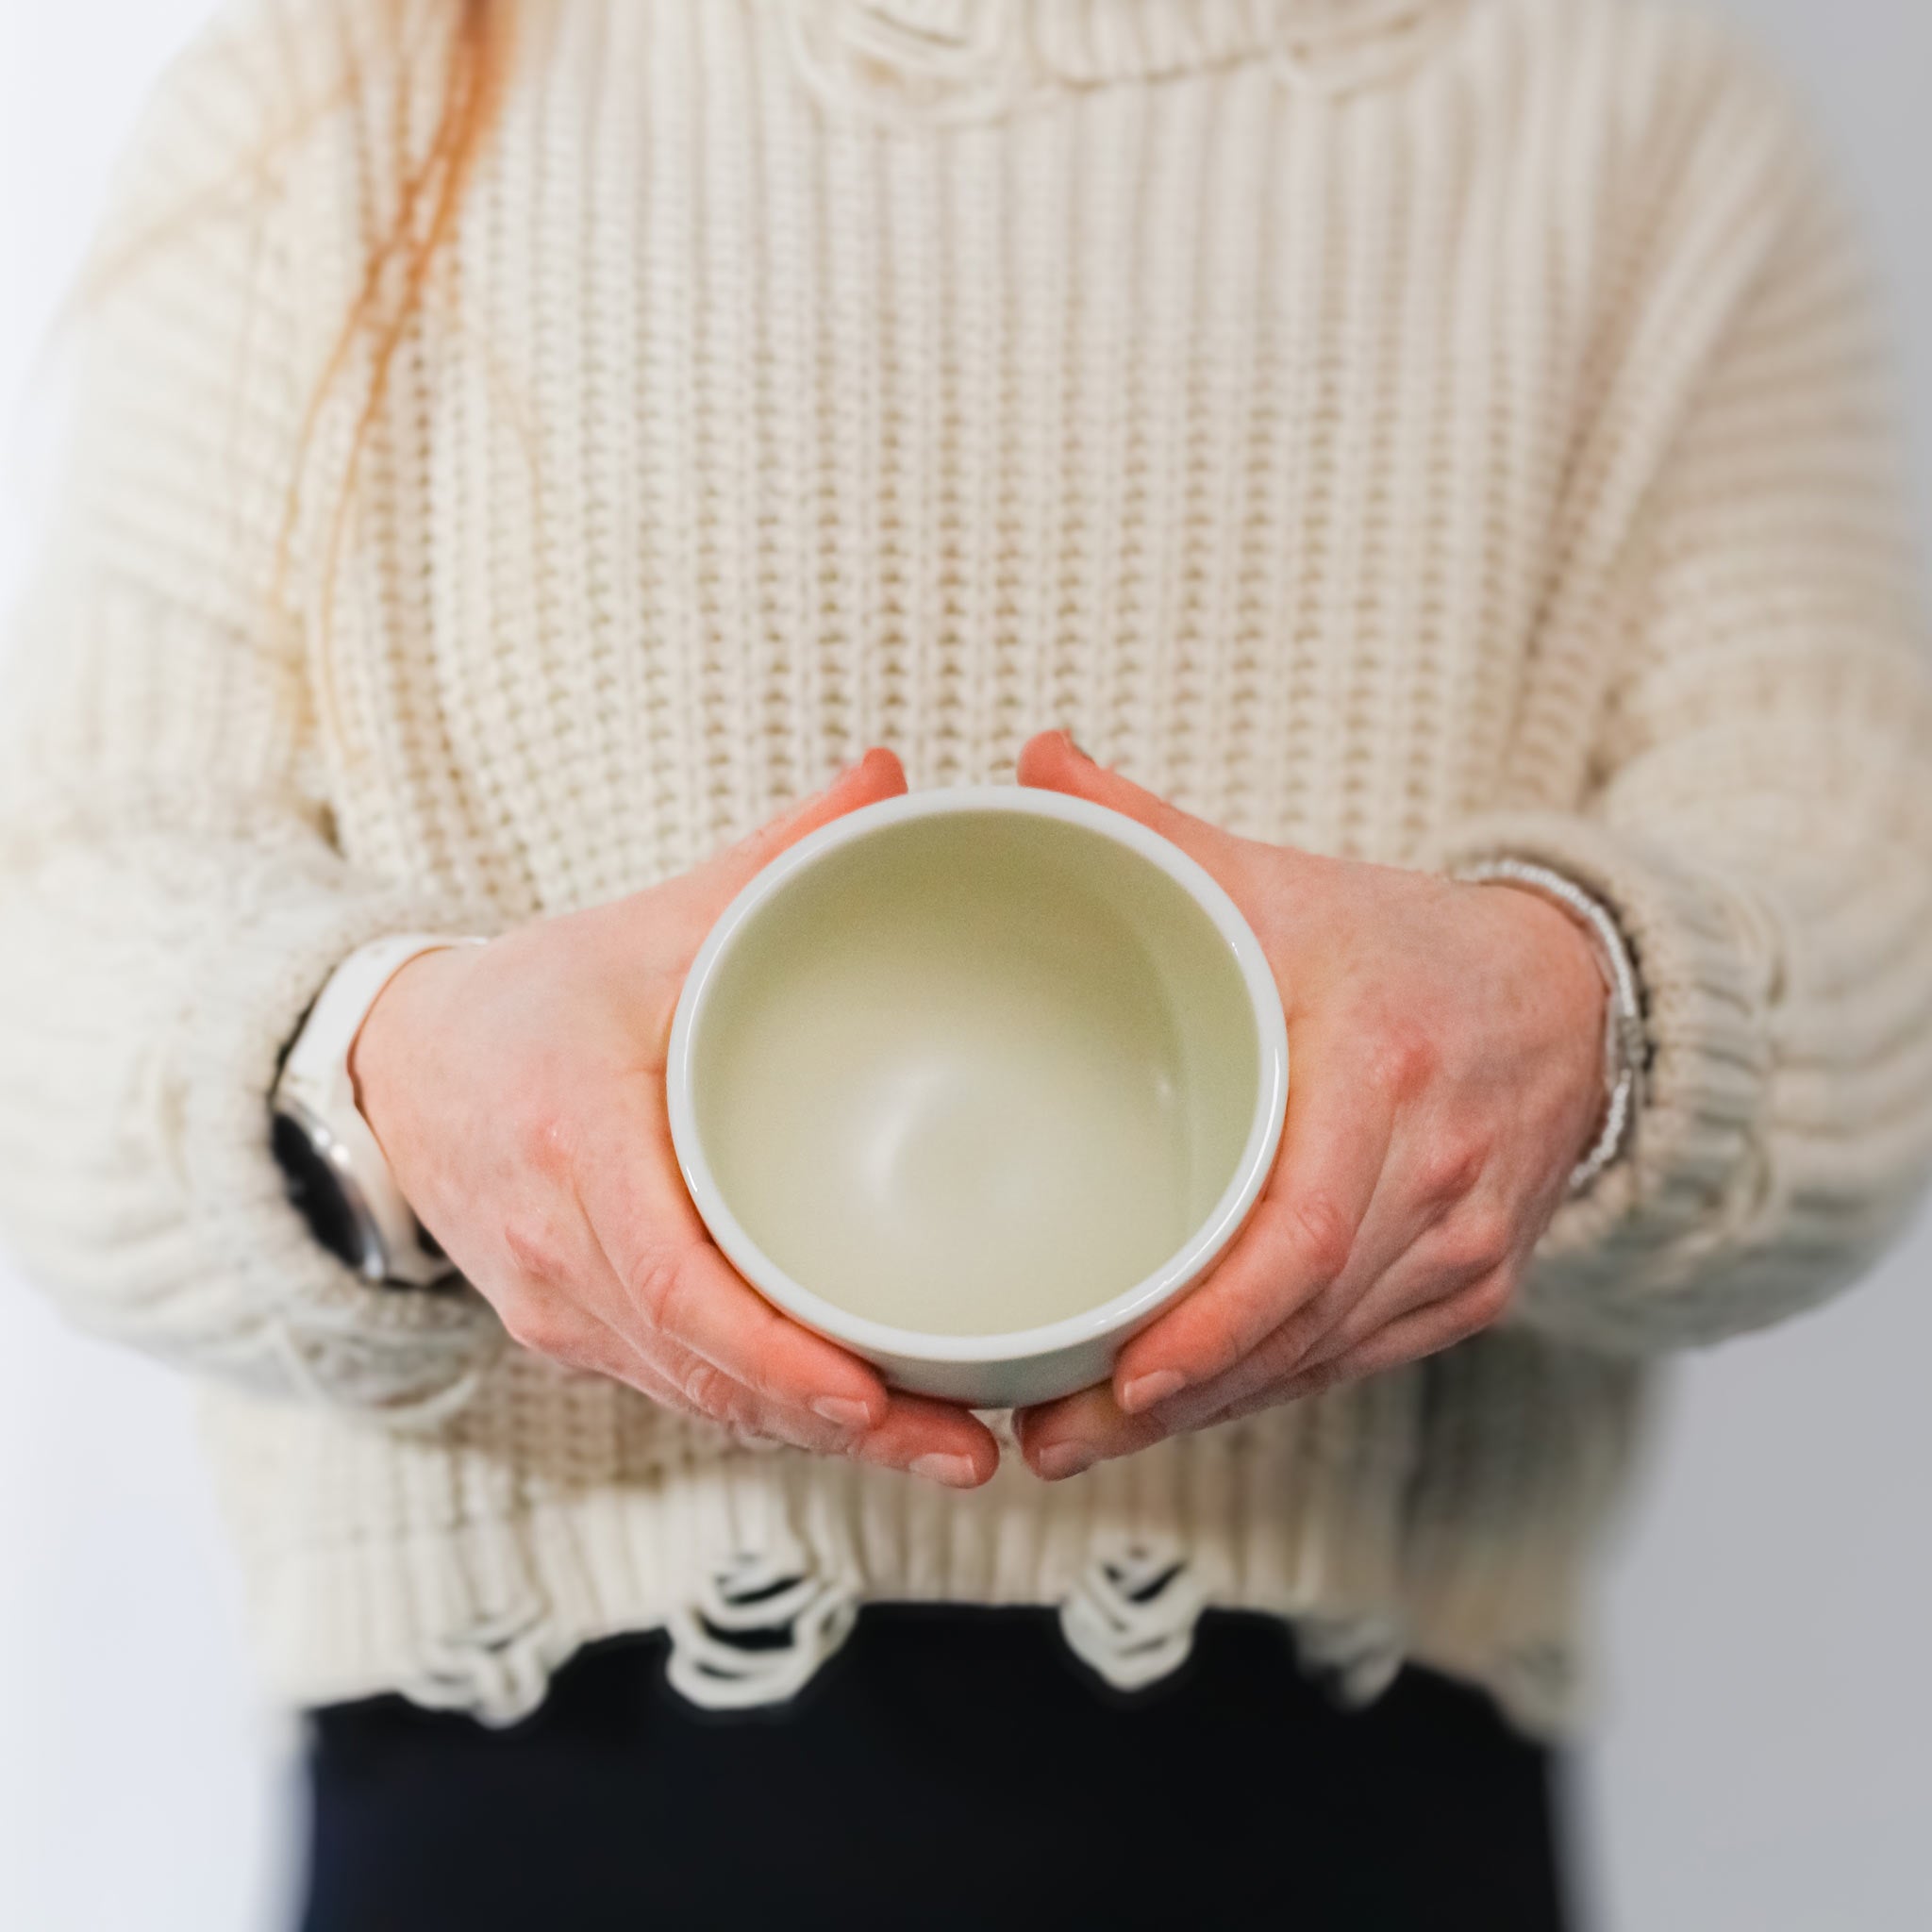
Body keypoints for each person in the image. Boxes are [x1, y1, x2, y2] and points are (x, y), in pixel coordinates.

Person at [3, 0, 1927, 1924]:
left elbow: (1858, 910)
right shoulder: (345, 92)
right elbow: (66, 921)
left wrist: (1579, 1011)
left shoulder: (1640, 125)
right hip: (524, 1798)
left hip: (1332, 1815)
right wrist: (389, 1082)